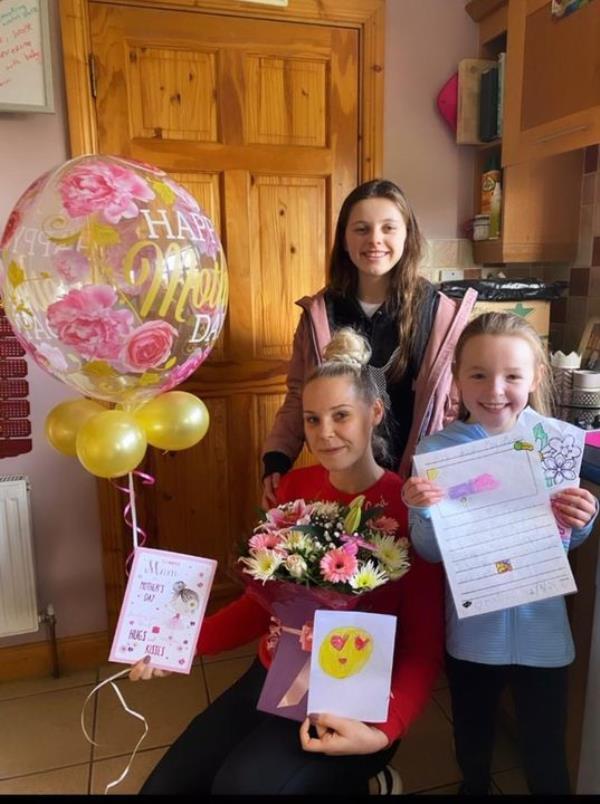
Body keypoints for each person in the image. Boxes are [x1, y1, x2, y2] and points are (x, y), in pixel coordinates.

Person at [130, 328, 444, 796]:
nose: (325, 433)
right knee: (166, 788)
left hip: (353, 696)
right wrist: (176, 643)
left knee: (239, 787)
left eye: (341, 416)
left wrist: (383, 731)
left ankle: (369, 779)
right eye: (312, 419)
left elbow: (424, 643)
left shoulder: (408, 509)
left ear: (374, 413)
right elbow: (261, 605)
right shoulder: (295, 490)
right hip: (275, 674)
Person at [402, 312, 598, 795]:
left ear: (534, 378)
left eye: (512, 375)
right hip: (473, 634)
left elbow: (563, 544)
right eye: (478, 374)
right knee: (472, 742)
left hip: (543, 633)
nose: (495, 389)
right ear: (457, 379)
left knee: (545, 754)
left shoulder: (554, 443)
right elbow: (429, 553)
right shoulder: (438, 450)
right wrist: (421, 511)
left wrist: (582, 518)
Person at [261, 178, 477, 510]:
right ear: (345, 240)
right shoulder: (320, 313)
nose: (375, 240)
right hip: (343, 485)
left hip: (418, 489)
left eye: (388, 228)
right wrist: (277, 459)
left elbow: (453, 409)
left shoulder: (440, 314)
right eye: (361, 229)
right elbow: (299, 394)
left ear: (407, 235)